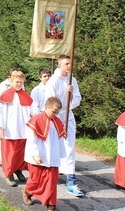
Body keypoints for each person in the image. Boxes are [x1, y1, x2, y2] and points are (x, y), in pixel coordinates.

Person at [44, 54, 83, 197]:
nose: (69, 66)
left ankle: (71, 181)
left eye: (70, 63)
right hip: (55, 117)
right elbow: (50, 102)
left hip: (68, 116)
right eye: (67, 63)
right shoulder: (53, 81)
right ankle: (49, 176)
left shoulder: (72, 79)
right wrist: (60, 111)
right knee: (53, 146)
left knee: (69, 147)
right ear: (60, 65)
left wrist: (71, 97)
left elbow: (78, 99)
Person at [23, 97, 66, 211]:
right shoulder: (36, 120)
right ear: (46, 107)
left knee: (52, 180)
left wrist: (60, 155)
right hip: (39, 156)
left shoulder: (57, 121)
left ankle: (51, 204)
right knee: (35, 180)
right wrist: (35, 154)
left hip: (52, 157)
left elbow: (60, 139)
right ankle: (28, 192)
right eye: (53, 111)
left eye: (57, 112)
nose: (55, 114)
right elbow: (32, 139)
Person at [0, 70, 32, 187]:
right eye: (17, 82)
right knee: (9, 153)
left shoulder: (25, 95)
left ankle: (18, 170)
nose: (19, 84)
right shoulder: (5, 95)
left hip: (23, 130)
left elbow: (31, 110)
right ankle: (9, 174)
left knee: (20, 153)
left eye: (21, 82)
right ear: (11, 81)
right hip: (9, 129)